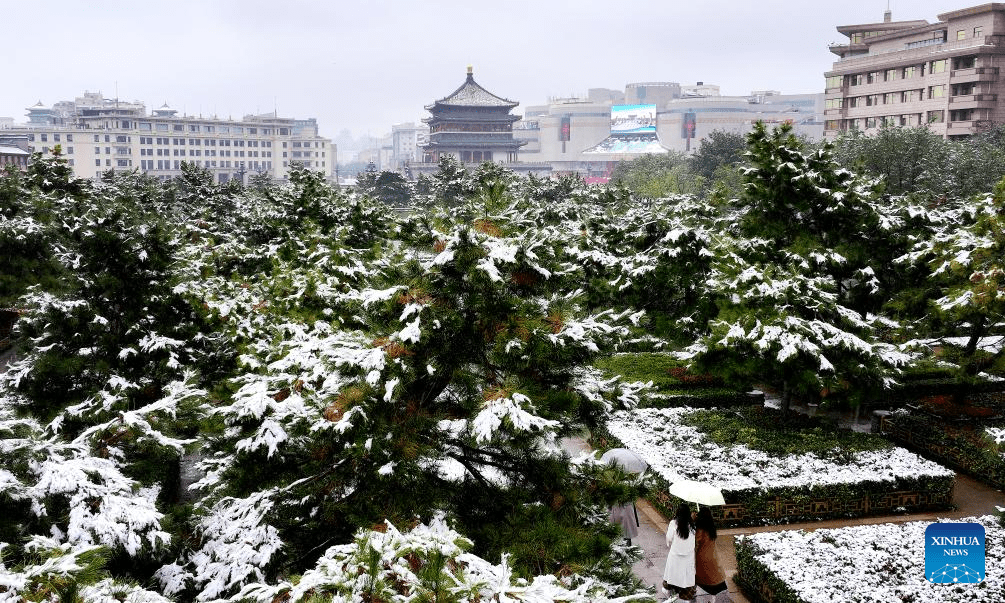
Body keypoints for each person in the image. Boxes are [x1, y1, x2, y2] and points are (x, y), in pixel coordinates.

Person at [662, 502, 696, 602]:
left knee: (671, 576)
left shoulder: (673, 523)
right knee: (686, 579)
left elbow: (669, 539)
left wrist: (672, 545)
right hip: (688, 557)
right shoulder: (692, 526)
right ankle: (686, 598)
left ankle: (668, 593)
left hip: (675, 556)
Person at [693, 506, 729, 600]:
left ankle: (691, 594)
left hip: (702, 558)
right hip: (713, 556)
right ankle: (714, 599)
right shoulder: (711, 528)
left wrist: (693, 521)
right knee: (714, 580)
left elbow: (695, 544)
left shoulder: (700, 529)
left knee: (697, 578)